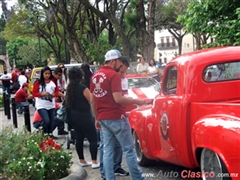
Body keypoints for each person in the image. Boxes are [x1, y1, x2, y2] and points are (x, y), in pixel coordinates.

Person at [90, 49, 150, 180]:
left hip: (103, 118)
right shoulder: (113, 75)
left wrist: (96, 118)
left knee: (107, 151)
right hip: (116, 117)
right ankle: (138, 178)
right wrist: (137, 101)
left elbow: (93, 100)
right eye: (119, 62)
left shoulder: (95, 76)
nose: (120, 65)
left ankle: (109, 177)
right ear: (113, 61)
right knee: (129, 150)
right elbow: (118, 99)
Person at [65, 66, 99, 169]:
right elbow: (91, 100)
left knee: (79, 138)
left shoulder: (69, 89)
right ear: (80, 75)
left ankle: (82, 160)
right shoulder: (83, 88)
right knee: (93, 138)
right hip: (84, 116)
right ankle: (94, 161)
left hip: (73, 117)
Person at [32, 66, 59, 135]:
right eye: (45, 73)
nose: (47, 75)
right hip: (41, 105)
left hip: (51, 105)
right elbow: (34, 93)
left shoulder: (53, 82)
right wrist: (41, 94)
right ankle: (40, 132)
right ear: (42, 74)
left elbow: (57, 91)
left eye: (49, 74)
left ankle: (49, 135)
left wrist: (54, 94)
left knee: (51, 122)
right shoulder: (38, 82)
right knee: (47, 120)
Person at [52, 67, 68, 135]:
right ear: (54, 74)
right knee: (58, 116)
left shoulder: (55, 80)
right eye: (58, 75)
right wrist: (65, 97)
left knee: (60, 113)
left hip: (55, 99)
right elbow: (56, 91)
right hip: (52, 101)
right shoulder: (52, 80)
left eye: (60, 75)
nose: (59, 76)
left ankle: (60, 129)